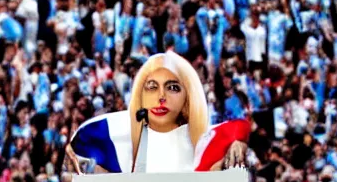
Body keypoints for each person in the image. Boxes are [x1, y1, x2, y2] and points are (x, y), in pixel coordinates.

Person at [68, 51, 250, 173]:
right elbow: (79, 145)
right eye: (152, 87)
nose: (161, 97)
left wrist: (237, 142)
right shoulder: (113, 136)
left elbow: (238, 127)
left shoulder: (201, 141)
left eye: (172, 88)